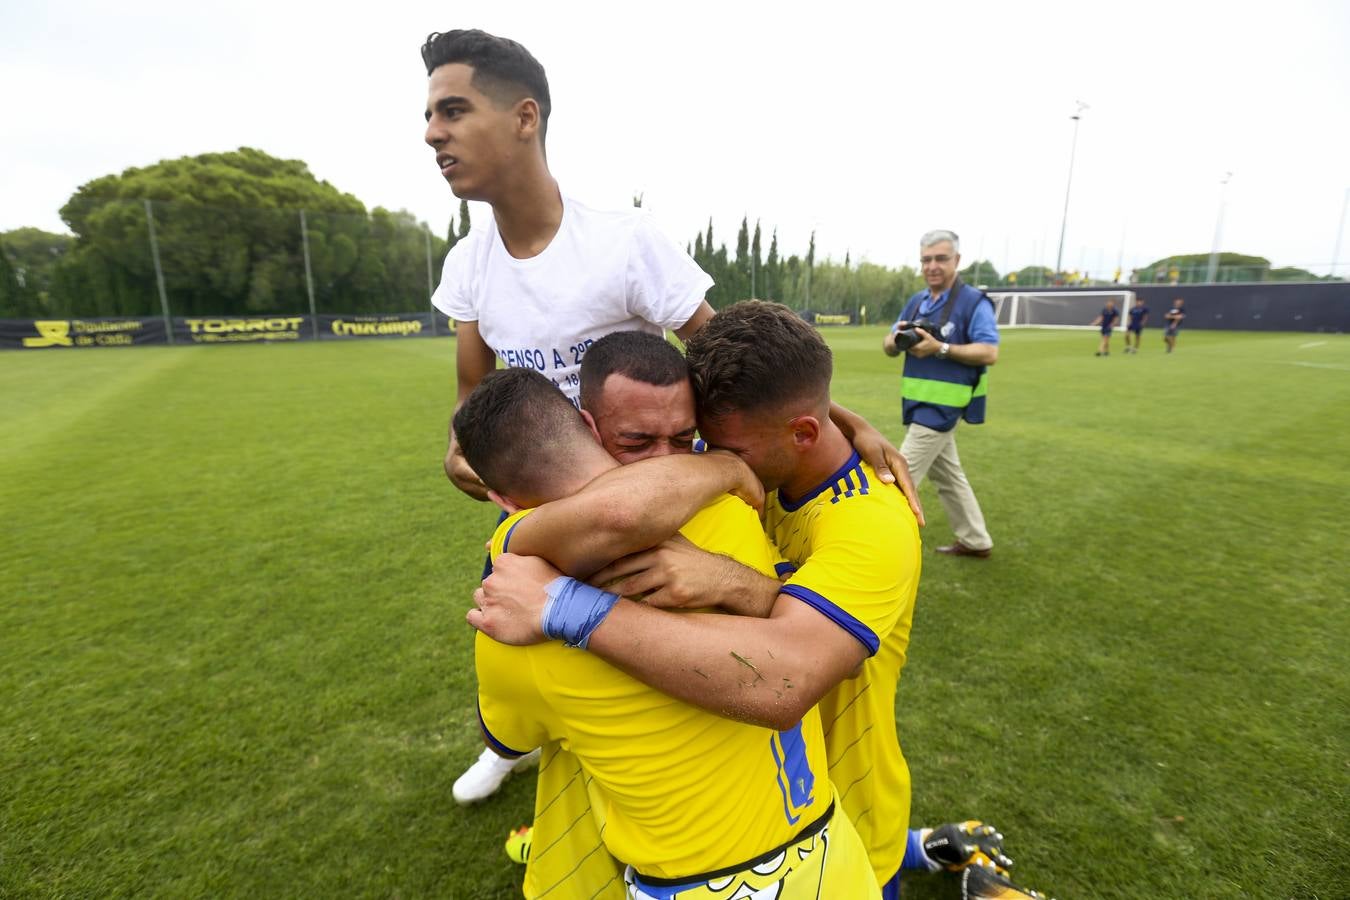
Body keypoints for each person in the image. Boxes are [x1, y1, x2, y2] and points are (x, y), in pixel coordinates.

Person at [421, 27, 923, 802]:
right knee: (522, 637)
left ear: (524, 117)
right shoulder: (467, 264)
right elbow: (469, 402)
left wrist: (841, 420)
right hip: (550, 517)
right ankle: (505, 739)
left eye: (452, 111)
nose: (433, 134)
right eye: (430, 116)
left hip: (658, 504)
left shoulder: (623, 241)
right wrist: (464, 455)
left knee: (652, 683)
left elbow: (733, 355)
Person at [471, 302, 984, 897]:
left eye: (723, 453)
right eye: (702, 444)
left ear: (803, 433)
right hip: (744, 801)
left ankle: (911, 850)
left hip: (847, 808)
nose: (690, 465)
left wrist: (573, 604)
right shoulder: (747, 481)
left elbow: (784, 674)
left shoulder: (873, 524)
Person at [454, 367, 881, 899]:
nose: (665, 455)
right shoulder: (732, 511)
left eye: (681, 440)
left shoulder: (508, 620)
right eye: (640, 439)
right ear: (590, 425)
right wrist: (726, 465)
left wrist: (564, 608)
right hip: (830, 856)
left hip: (692, 886)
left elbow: (508, 737)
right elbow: (825, 645)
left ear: (500, 498)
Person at [883, 230, 998, 560]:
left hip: (943, 408)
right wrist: (898, 340)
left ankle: (879, 551)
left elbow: (989, 351)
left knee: (898, 480)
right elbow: (888, 343)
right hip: (919, 404)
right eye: (926, 260)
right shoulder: (917, 301)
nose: (932, 266)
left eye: (941, 259)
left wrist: (941, 347)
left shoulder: (973, 302)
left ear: (957, 261)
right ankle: (976, 540)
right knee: (949, 476)